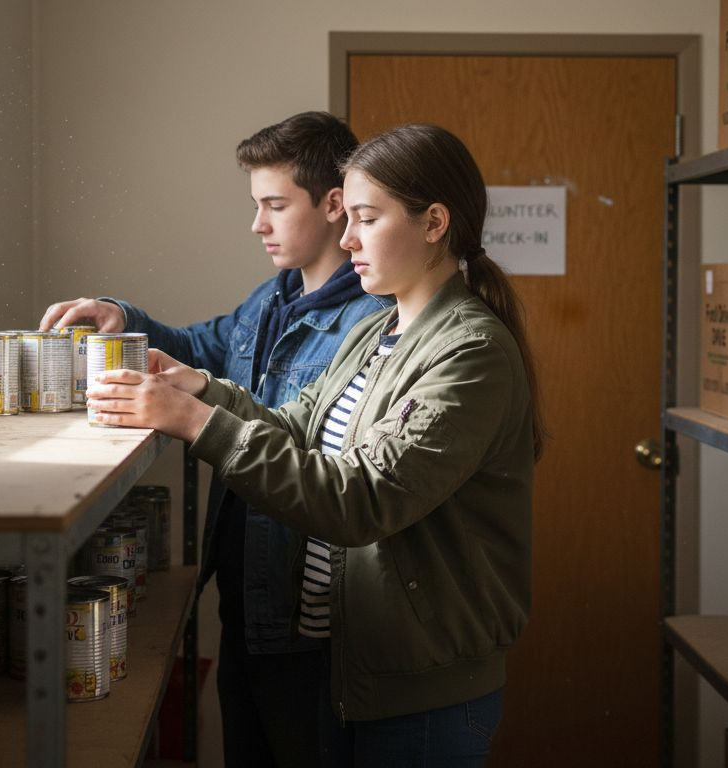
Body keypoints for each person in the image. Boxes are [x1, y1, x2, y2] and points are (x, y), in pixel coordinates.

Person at [86, 123, 542, 766]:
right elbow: (296, 425)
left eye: (366, 218)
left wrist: (193, 423)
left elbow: (361, 499)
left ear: (435, 222)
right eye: (347, 217)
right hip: (354, 668)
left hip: (422, 693)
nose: (347, 237)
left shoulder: (470, 353)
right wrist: (198, 389)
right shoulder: (381, 329)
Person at [38, 111, 390, 768]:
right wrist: (126, 319)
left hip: (305, 613)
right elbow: (205, 350)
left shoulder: (371, 320)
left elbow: (333, 470)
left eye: (274, 205)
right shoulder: (275, 296)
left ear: (335, 204)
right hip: (247, 597)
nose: (257, 224)